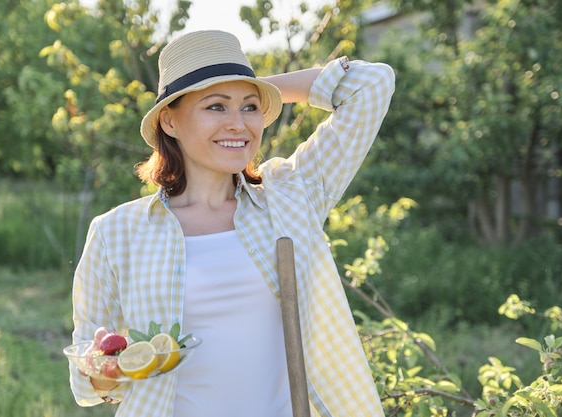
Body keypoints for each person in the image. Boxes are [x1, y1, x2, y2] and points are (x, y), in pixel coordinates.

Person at [69, 29, 395, 417]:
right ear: (169, 122)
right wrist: (106, 369)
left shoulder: (291, 197)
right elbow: (85, 383)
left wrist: (252, 89)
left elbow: (372, 83)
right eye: (216, 108)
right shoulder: (116, 232)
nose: (239, 125)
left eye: (250, 108)